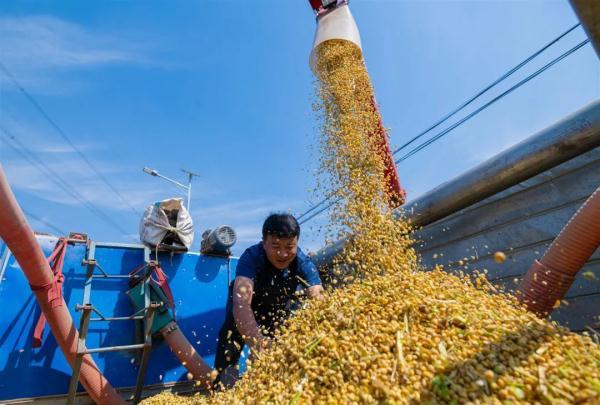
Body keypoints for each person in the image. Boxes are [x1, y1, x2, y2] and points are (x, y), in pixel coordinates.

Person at [214, 213, 324, 386]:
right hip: (244, 310)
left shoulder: (302, 261)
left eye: (290, 247)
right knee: (231, 344)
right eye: (275, 246)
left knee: (273, 356)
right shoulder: (251, 257)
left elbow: (318, 295)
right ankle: (223, 388)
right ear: (264, 242)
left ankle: (261, 387)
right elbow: (241, 303)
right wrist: (259, 344)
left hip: (276, 311)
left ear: (296, 243)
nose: (283, 254)